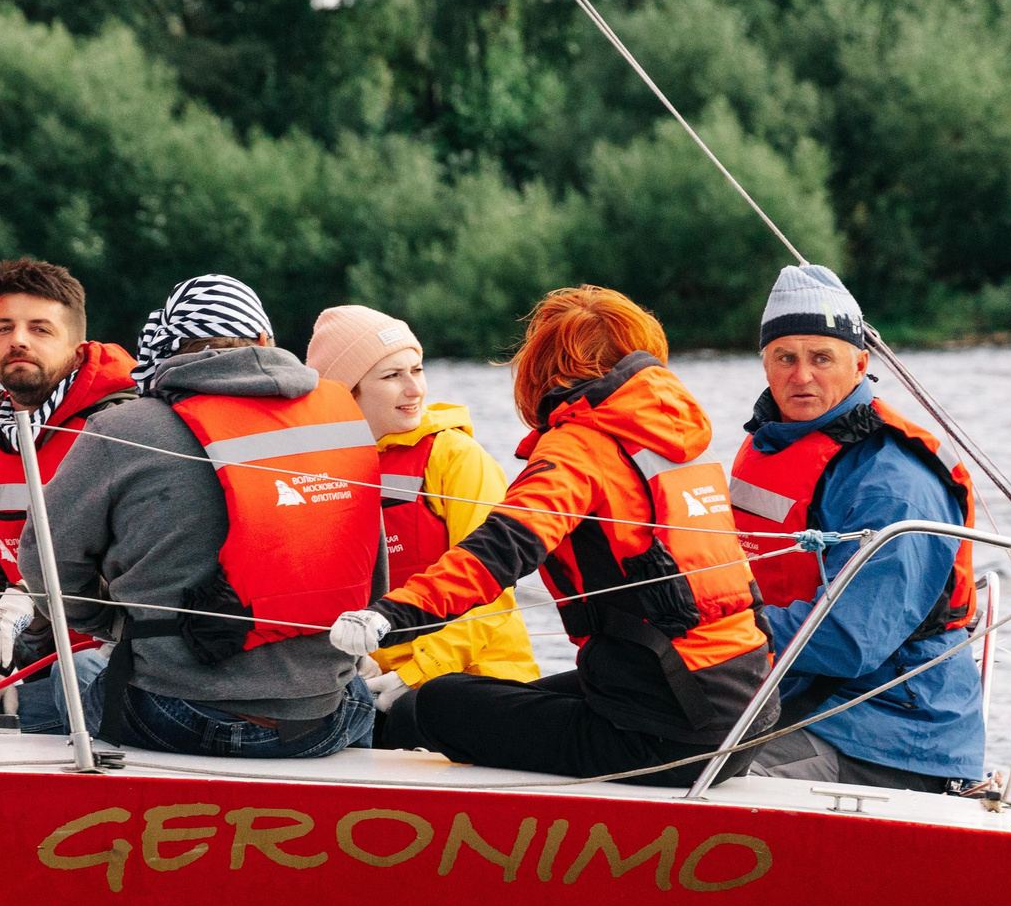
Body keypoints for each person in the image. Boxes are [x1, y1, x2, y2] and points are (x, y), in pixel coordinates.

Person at [329, 285, 777, 786]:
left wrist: (389, 616)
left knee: (437, 703)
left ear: (544, 368)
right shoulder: (674, 434)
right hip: (747, 707)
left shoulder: (582, 444)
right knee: (524, 696)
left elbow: (503, 548)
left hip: (672, 732)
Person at [25, 274, 382, 758]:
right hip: (322, 719)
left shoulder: (121, 427)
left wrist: (106, 624)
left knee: (81, 673)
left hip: (179, 717)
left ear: (169, 347)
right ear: (265, 340)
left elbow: (42, 555)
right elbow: (375, 582)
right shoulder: (341, 422)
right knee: (357, 692)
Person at [729, 263, 986, 793]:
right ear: (766, 364)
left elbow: (852, 636)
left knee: (692, 775)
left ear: (860, 363)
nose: (801, 376)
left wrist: (715, 633)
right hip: (788, 688)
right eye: (785, 357)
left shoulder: (896, 481)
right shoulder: (774, 444)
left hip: (889, 726)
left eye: (821, 357)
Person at [305, 304, 538, 697]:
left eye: (417, 370)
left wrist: (420, 671)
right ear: (345, 390)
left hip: (473, 680)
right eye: (393, 376)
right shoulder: (319, 469)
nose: (415, 390)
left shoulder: (455, 457)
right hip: (366, 678)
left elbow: (493, 585)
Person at [0, 257, 137, 729]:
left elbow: (140, 570)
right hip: (30, 656)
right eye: (3, 328)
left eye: (40, 329)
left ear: (77, 346)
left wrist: (27, 601)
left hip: (120, 656)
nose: (18, 340)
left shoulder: (125, 429)